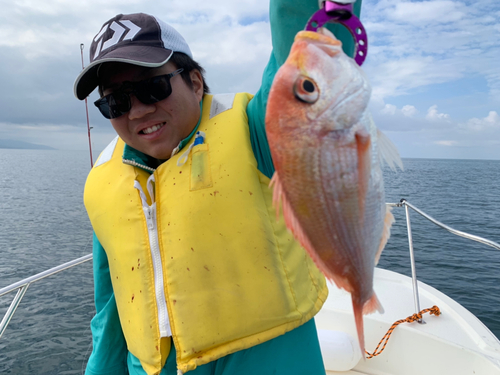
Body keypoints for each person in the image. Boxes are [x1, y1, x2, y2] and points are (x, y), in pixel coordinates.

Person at [74, 1, 362, 374]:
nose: (137, 111)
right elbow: (111, 312)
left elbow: (309, 62)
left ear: (194, 82)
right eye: (115, 102)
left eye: (152, 87)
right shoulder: (103, 184)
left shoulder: (257, 132)